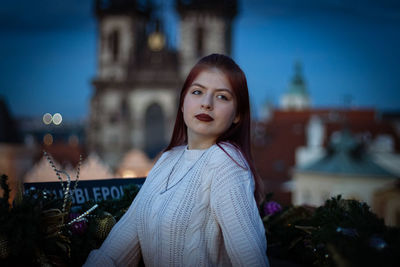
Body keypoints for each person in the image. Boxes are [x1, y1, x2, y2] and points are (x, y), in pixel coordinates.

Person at [84, 54, 269, 266]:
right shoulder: (168, 160)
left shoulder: (227, 164)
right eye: (197, 92)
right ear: (182, 103)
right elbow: (117, 248)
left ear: (238, 114)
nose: (206, 104)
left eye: (222, 97)